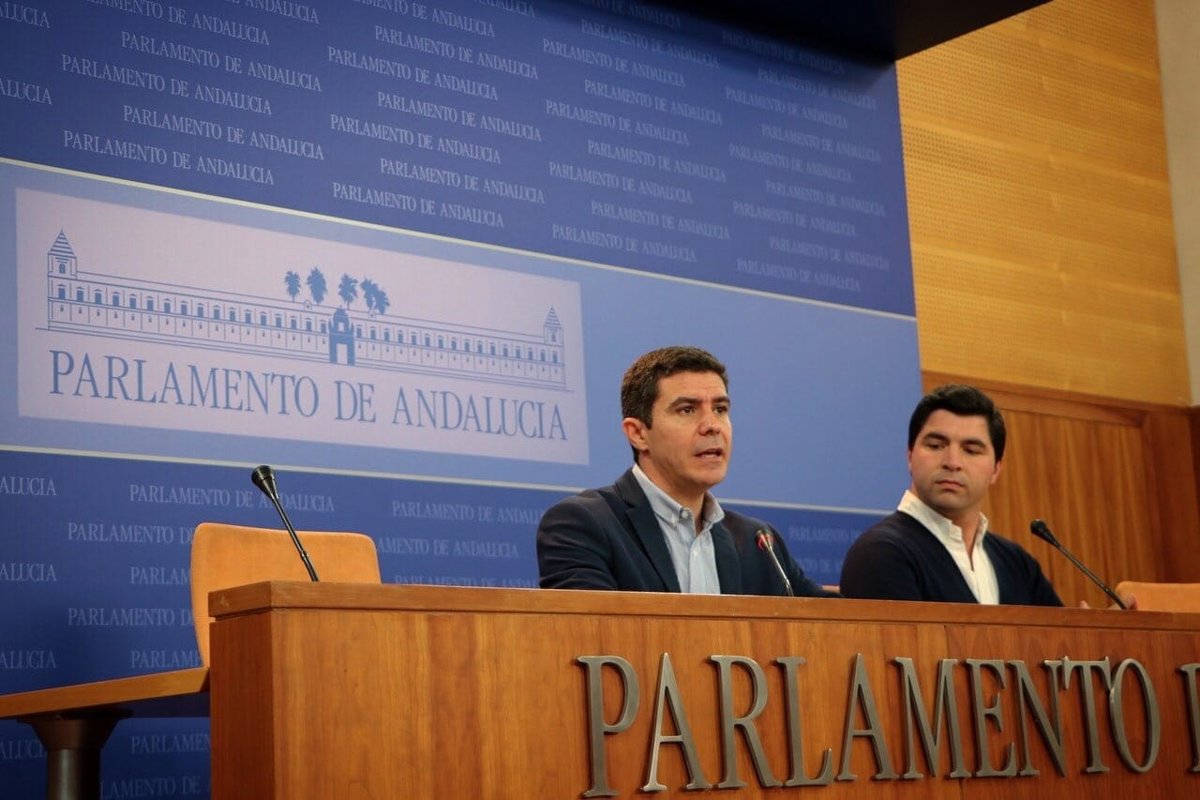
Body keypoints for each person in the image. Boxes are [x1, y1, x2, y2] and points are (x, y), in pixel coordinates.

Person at [537, 346, 833, 597]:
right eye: (687, 410)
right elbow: (590, 636)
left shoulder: (759, 543)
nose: (712, 426)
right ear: (638, 433)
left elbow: (835, 626)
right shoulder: (584, 525)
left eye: (720, 409)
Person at [839, 384, 1063, 606]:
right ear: (909, 456)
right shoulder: (881, 553)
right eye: (936, 446)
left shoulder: (1018, 564)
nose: (952, 462)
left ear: (996, 469)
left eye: (971, 450)